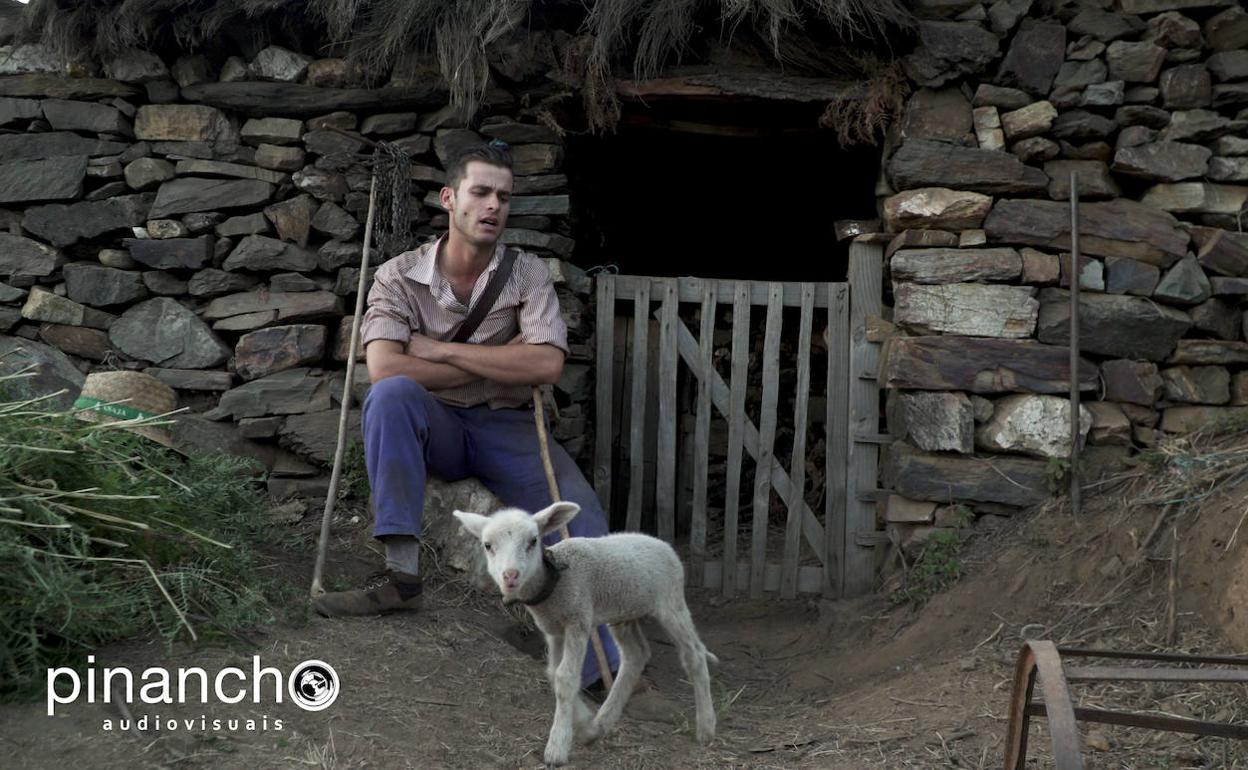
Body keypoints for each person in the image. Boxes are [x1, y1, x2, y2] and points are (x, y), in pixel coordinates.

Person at [312, 140, 619, 690]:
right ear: (449, 199)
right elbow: (386, 368)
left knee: (577, 523)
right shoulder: (397, 276)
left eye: (503, 196)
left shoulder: (528, 276)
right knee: (390, 398)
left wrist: (440, 350)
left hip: (511, 428)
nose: (493, 206)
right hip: (438, 426)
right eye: (480, 192)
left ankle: (604, 667)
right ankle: (402, 577)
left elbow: (546, 364)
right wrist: (500, 363)